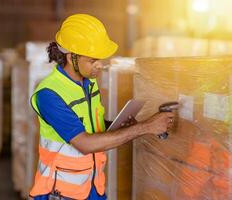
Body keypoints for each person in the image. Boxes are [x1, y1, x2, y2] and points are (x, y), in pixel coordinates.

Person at [29, 14, 175, 200]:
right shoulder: (49, 94)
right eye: (92, 60)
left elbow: (89, 126)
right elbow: (84, 143)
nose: (100, 66)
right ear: (71, 56)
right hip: (60, 192)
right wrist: (146, 127)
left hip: (92, 187)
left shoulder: (88, 83)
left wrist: (118, 125)